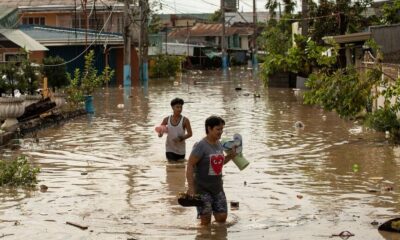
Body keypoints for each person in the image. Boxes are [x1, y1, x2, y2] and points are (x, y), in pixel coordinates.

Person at [185, 115, 237, 225]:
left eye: (222, 129)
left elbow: (218, 163)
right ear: (209, 128)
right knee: (206, 222)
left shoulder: (219, 144)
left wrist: (231, 156)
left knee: (222, 218)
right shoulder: (201, 146)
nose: (221, 132)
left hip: (217, 187)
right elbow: (190, 165)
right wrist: (190, 187)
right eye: (218, 129)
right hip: (202, 189)